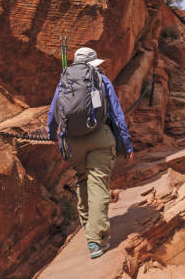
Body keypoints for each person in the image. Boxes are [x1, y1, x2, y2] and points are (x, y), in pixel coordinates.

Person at [47, 47, 134, 259]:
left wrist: (52, 135)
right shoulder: (101, 80)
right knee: (98, 185)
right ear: (93, 63)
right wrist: (127, 145)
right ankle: (96, 239)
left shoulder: (65, 81)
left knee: (83, 181)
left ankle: (89, 229)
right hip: (100, 138)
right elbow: (117, 114)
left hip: (73, 142)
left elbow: (53, 113)